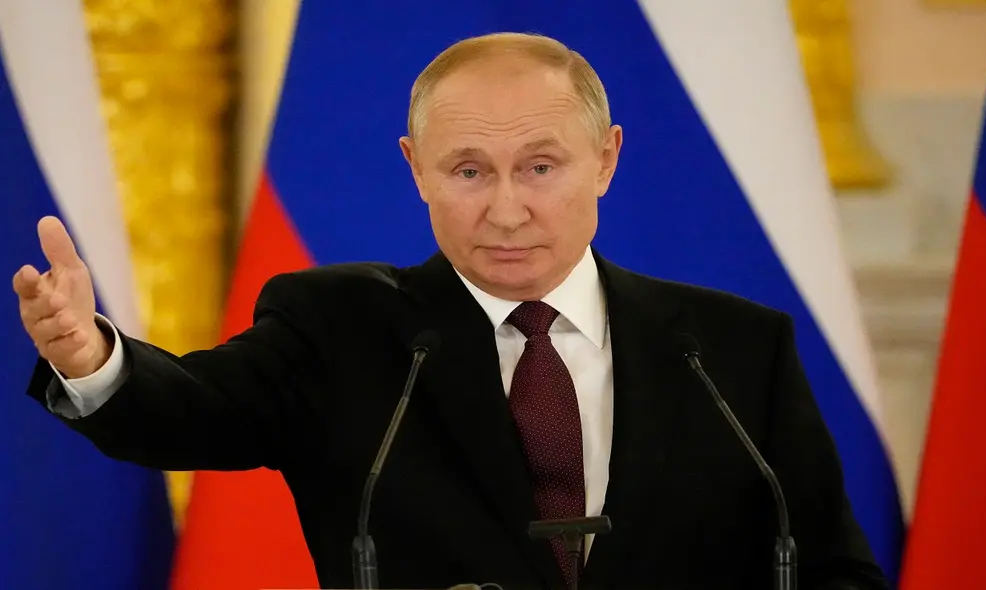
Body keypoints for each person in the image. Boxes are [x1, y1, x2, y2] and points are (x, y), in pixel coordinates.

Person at [13, 32, 887, 590]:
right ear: (416, 168)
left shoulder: (732, 347)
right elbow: (190, 415)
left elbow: (831, 569)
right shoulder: (340, 329)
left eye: (541, 167)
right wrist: (93, 357)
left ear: (607, 158)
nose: (507, 209)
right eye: (468, 171)